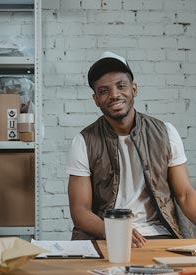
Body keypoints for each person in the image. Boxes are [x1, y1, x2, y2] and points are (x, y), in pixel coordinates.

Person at [67, 51, 196, 248]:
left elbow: (185, 195)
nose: (114, 95)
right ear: (95, 100)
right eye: (104, 91)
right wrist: (112, 231)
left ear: (134, 89)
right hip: (106, 236)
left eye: (121, 86)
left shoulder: (165, 132)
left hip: (160, 234)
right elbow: (80, 210)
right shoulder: (84, 141)